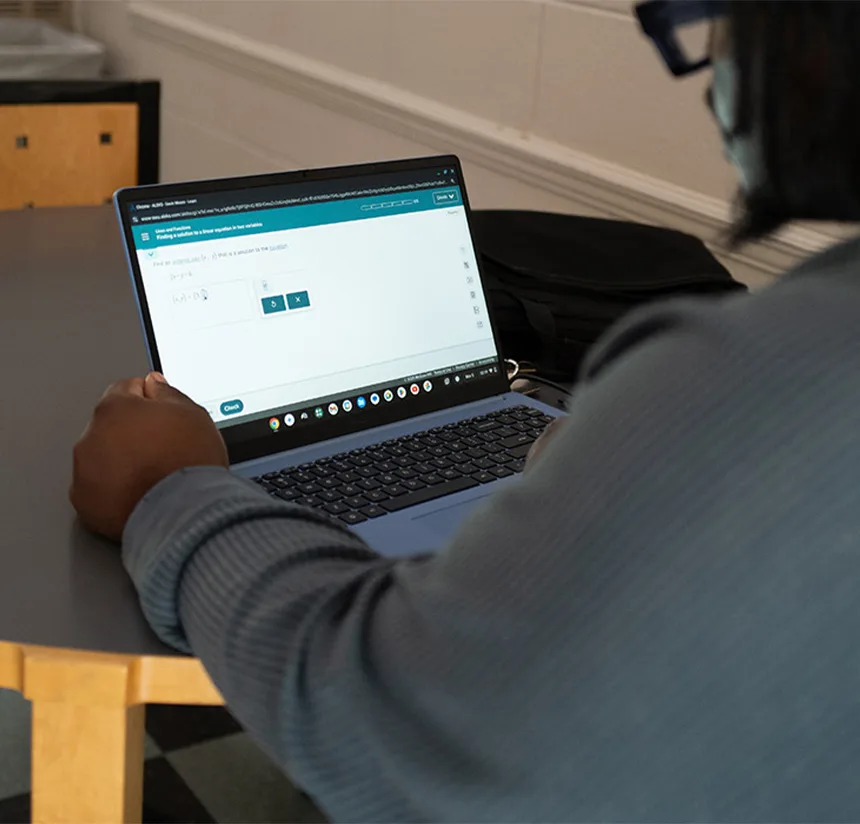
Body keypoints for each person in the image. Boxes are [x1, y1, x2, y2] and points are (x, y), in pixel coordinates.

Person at [71, 2, 860, 821]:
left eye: (716, 21)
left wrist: (174, 487)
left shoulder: (737, 380)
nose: (708, 69)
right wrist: (592, 467)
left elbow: (384, 737)